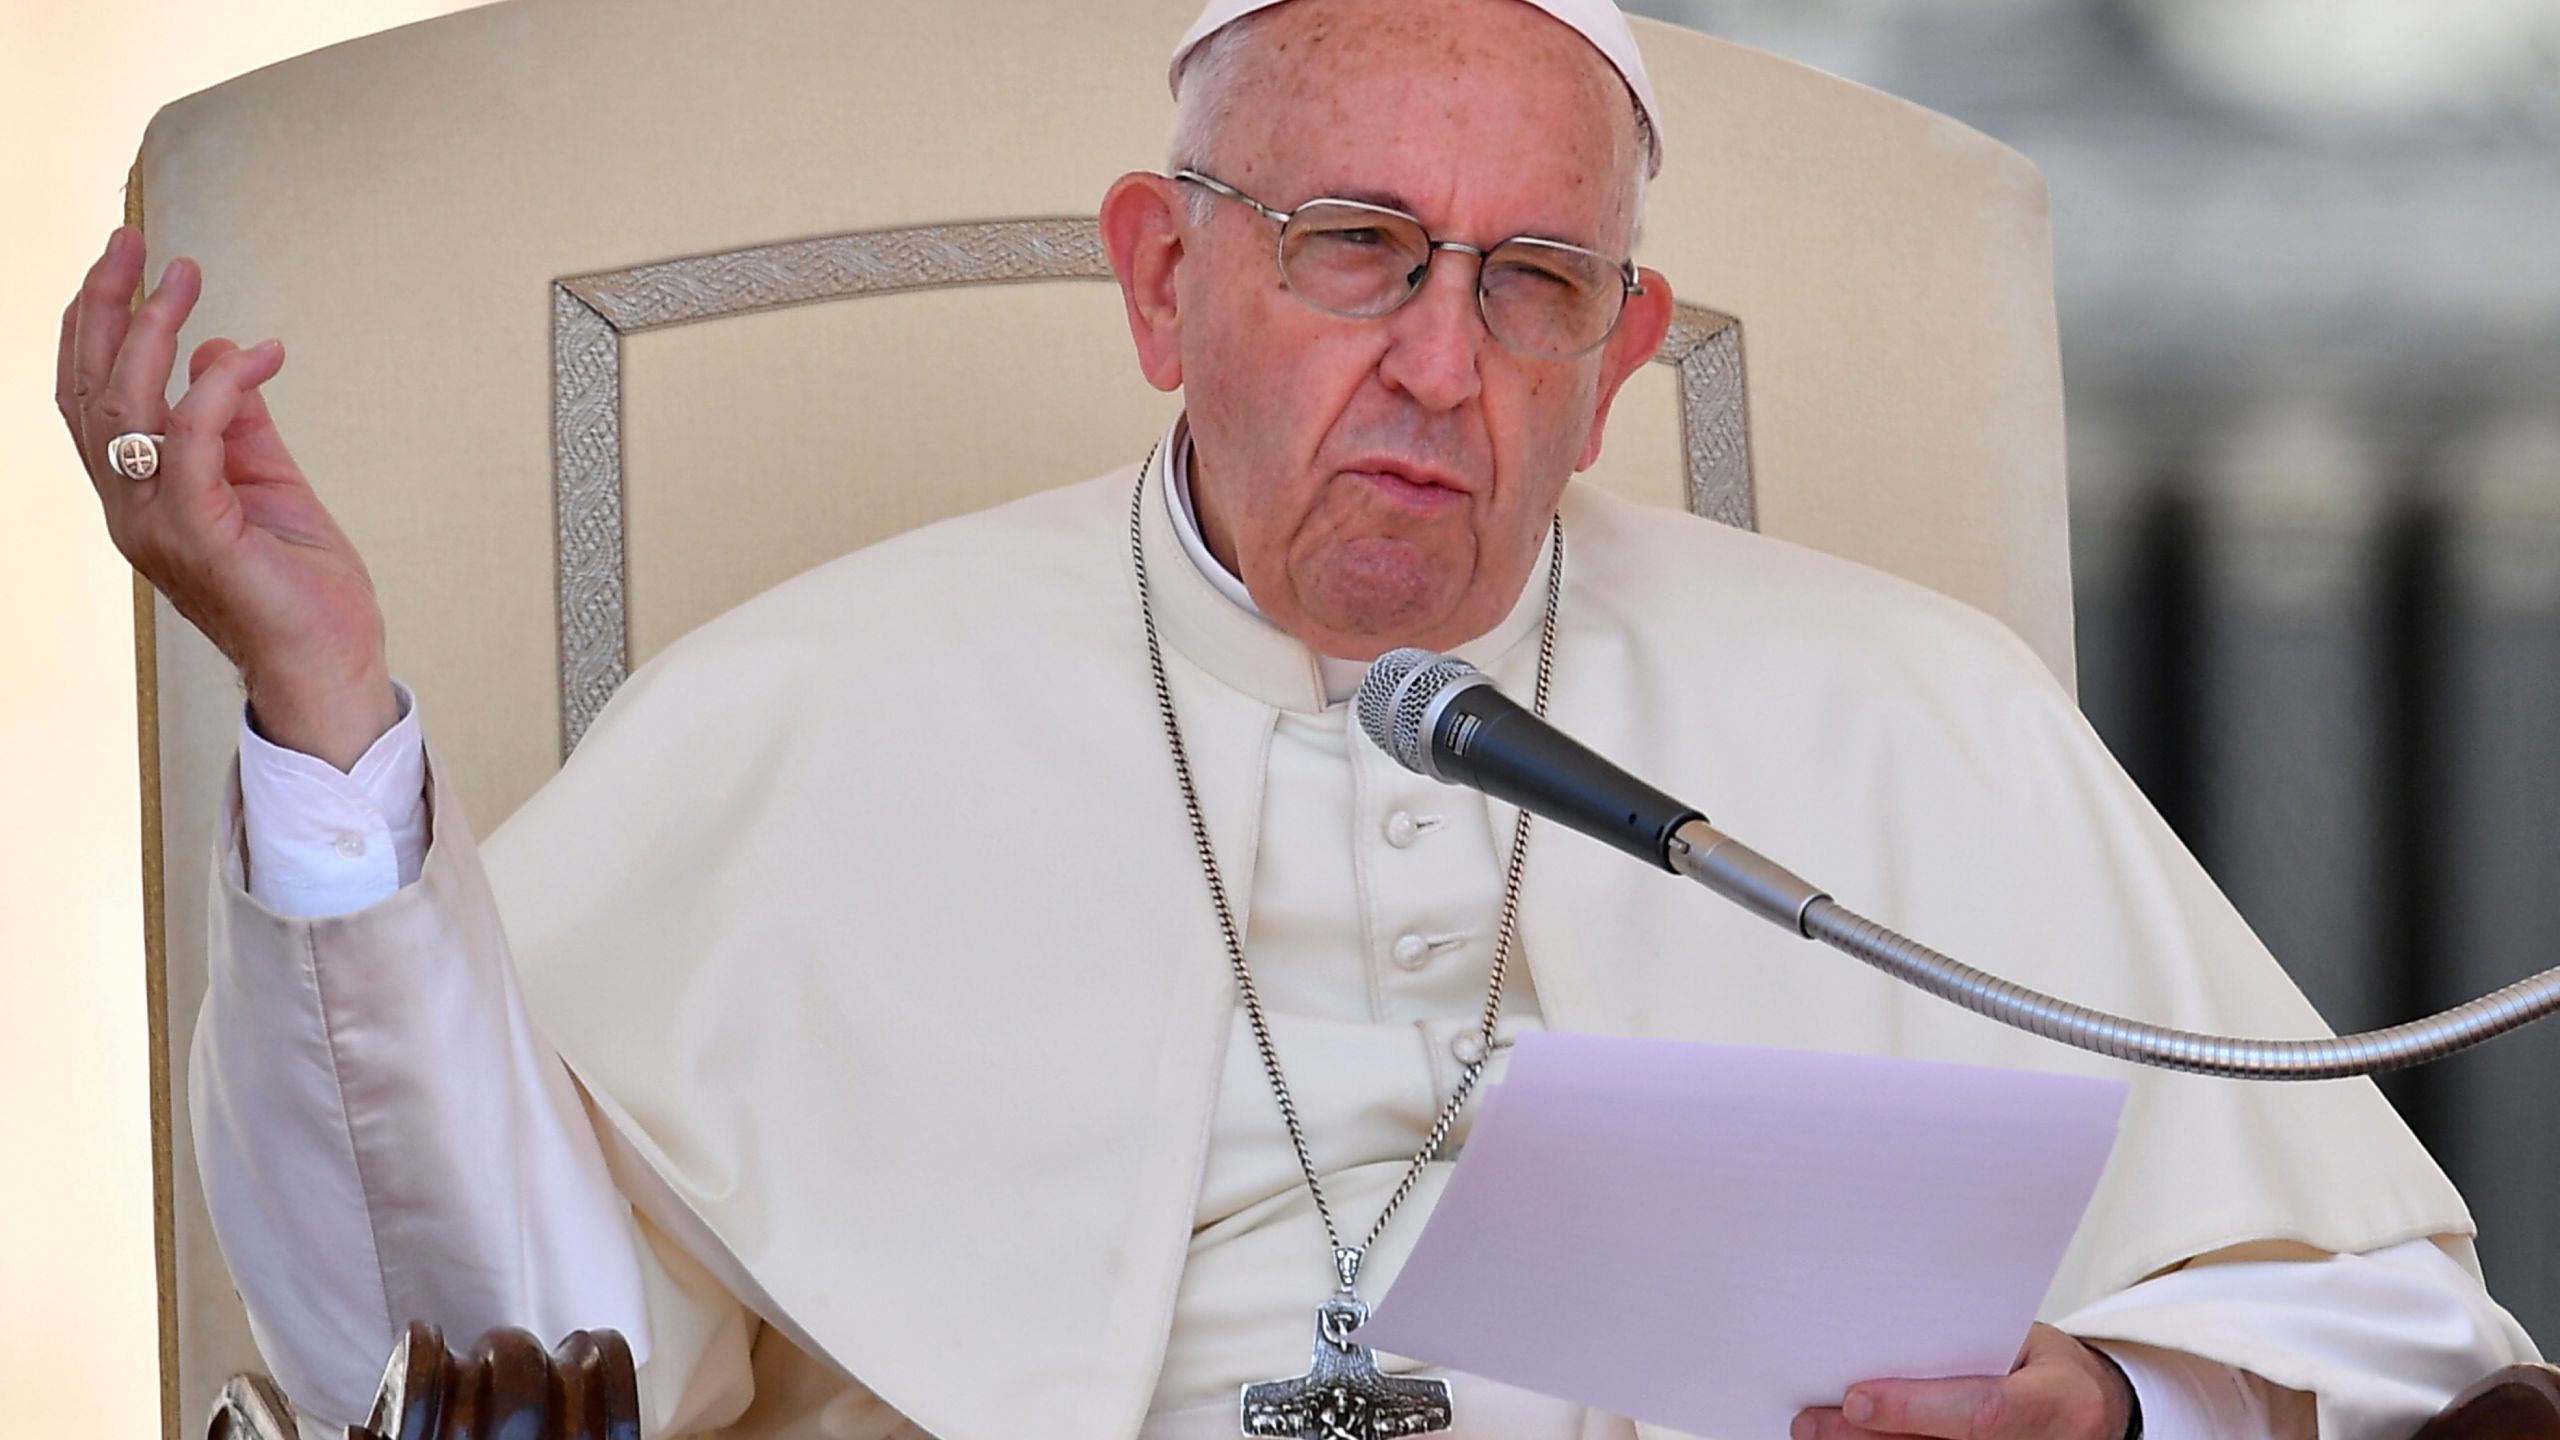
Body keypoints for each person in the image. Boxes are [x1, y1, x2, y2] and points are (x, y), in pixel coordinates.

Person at [57, 0, 2539, 1436]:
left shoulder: (1898, 707)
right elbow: (475, 1346)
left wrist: (2104, 1408)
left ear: (1621, 361)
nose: (1438, 368)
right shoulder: (827, 707)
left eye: (1533, 282)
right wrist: (317, 693)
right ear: (1159, 283)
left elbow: (2397, 1333)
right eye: (1352, 248)